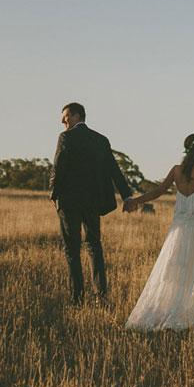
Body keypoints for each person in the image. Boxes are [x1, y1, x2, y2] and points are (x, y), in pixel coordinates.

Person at [124, 132, 194, 331]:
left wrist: (136, 201)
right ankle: (187, 311)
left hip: (179, 229)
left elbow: (158, 192)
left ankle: (174, 306)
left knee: (177, 268)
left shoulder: (176, 170)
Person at [49, 102, 133, 304]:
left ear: (77, 116)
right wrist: (126, 195)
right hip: (93, 202)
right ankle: (101, 296)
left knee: (72, 249)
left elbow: (58, 167)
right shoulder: (100, 140)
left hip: (69, 202)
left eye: (66, 116)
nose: (62, 121)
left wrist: (53, 194)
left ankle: (77, 298)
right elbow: (114, 169)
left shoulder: (66, 137)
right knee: (94, 245)